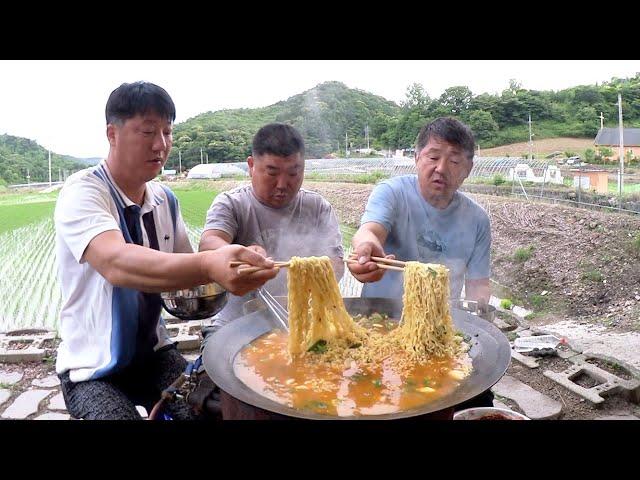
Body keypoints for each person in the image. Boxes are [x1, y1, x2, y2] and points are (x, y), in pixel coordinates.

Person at [54, 81, 278, 420]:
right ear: (112, 134)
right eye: (147, 132)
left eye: (167, 132)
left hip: (153, 353)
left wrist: (241, 262)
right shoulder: (83, 193)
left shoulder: (164, 200)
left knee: (211, 411)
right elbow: (116, 262)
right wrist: (208, 263)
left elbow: (185, 278)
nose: (161, 145)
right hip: (91, 367)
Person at [347, 116, 493, 409]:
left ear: (467, 170)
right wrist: (365, 246)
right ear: (417, 158)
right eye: (433, 156)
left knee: (479, 399)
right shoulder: (392, 193)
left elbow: (478, 287)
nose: (441, 168)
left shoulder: (477, 220)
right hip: (376, 323)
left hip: (440, 329)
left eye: (454, 161)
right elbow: (370, 230)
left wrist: (485, 331)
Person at [198, 122, 344, 333]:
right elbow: (209, 243)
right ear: (251, 166)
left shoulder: (317, 207)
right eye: (272, 173)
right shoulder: (232, 203)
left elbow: (337, 262)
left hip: (307, 325)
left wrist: (322, 276)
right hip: (235, 326)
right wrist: (240, 254)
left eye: (293, 173)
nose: (283, 184)